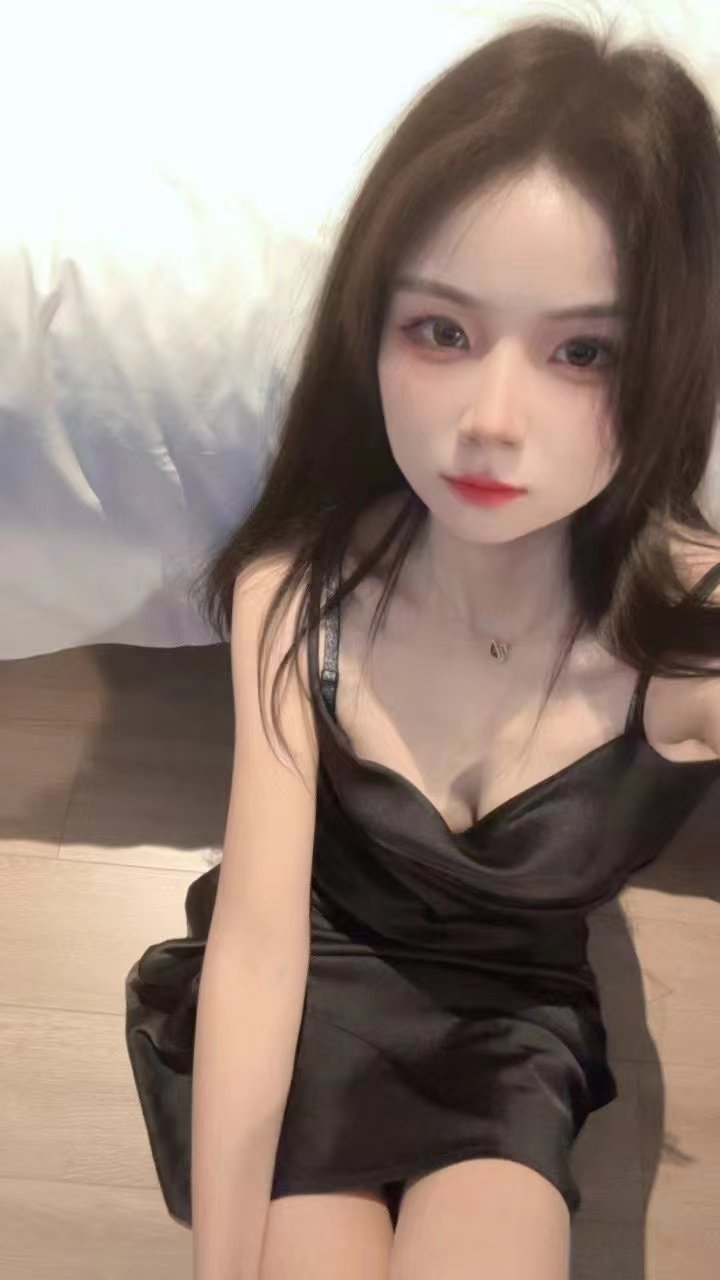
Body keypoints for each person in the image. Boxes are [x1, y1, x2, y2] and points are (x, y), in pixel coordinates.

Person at [125, 13, 720, 1280]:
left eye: (583, 351)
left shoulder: (692, 641)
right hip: (316, 986)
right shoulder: (302, 588)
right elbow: (261, 945)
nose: (490, 420)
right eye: (443, 330)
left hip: (510, 1024)